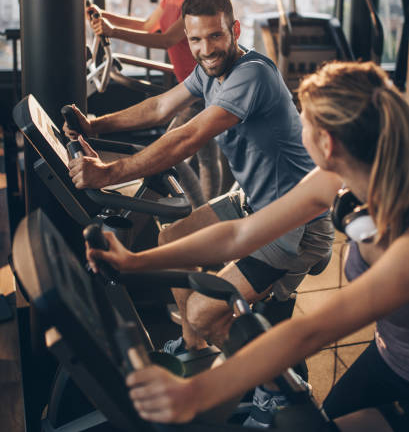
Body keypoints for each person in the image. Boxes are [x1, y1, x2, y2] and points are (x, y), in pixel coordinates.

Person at [87, 60, 409, 431]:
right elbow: (239, 234)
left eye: (302, 122)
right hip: (391, 354)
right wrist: (135, 261)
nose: (295, 128)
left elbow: (311, 331)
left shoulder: (398, 245)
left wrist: (195, 394)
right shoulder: (338, 177)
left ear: (328, 142)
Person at [67, 0, 333, 352]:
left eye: (215, 36)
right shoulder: (208, 71)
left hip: (294, 222)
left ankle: (278, 390)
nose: (206, 49)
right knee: (170, 238)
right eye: (195, 39)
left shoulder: (251, 75)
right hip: (253, 202)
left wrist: (109, 173)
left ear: (235, 31)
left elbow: (188, 137)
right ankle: (195, 351)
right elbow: (160, 107)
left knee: (201, 313)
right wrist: (95, 126)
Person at [88, 0, 229, 206]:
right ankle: (211, 211)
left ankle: (200, 214)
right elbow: (146, 25)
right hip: (190, 85)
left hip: (204, 88)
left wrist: (114, 31)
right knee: (206, 154)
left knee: (171, 156)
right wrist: (104, 15)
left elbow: (166, 39)